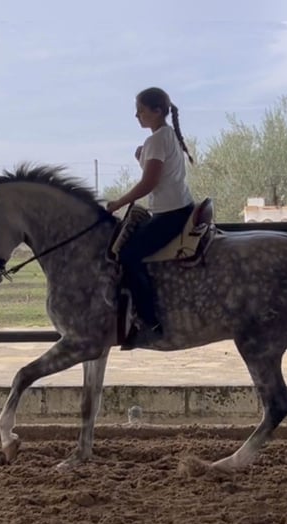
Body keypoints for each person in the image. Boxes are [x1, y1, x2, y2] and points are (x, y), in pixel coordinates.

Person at [106, 87, 196, 342]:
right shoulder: (167, 136)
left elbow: (149, 183)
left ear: (157, 111)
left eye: (141, 110)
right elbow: (162, 176)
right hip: (180, 207)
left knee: (127, 255)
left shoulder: (155, 140)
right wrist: (142, 160)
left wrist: (119, 203)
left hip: (169, 214)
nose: (137, 115)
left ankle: (149, 319)